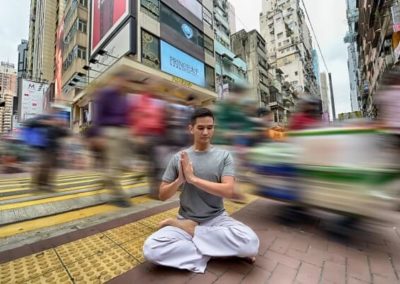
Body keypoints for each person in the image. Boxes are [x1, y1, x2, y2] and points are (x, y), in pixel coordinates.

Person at [143, 108, 259, 273]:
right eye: (200, 128)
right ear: (191, 128)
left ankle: (198, 236)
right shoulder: (179, 157)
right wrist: (179, 181)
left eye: (210, 127)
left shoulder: (224, 156)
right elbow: (162, 195)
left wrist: (193, 179)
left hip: (217, 220)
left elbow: (228, 190)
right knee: (151, 249)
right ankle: (222, 251)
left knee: (251, 242)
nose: (206, 132)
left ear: (214, 128)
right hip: (185, 219)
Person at [93, 71, 132, 207]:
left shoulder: (124, 97)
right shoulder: (105, 93)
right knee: (114, 165)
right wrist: (98, 135)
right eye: (121, 80)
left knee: (122, 165)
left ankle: (105, 180)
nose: (124, 83)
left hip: (124, 133)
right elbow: (97, 116)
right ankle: (117, 196)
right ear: (115, 79)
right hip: (111, 132)